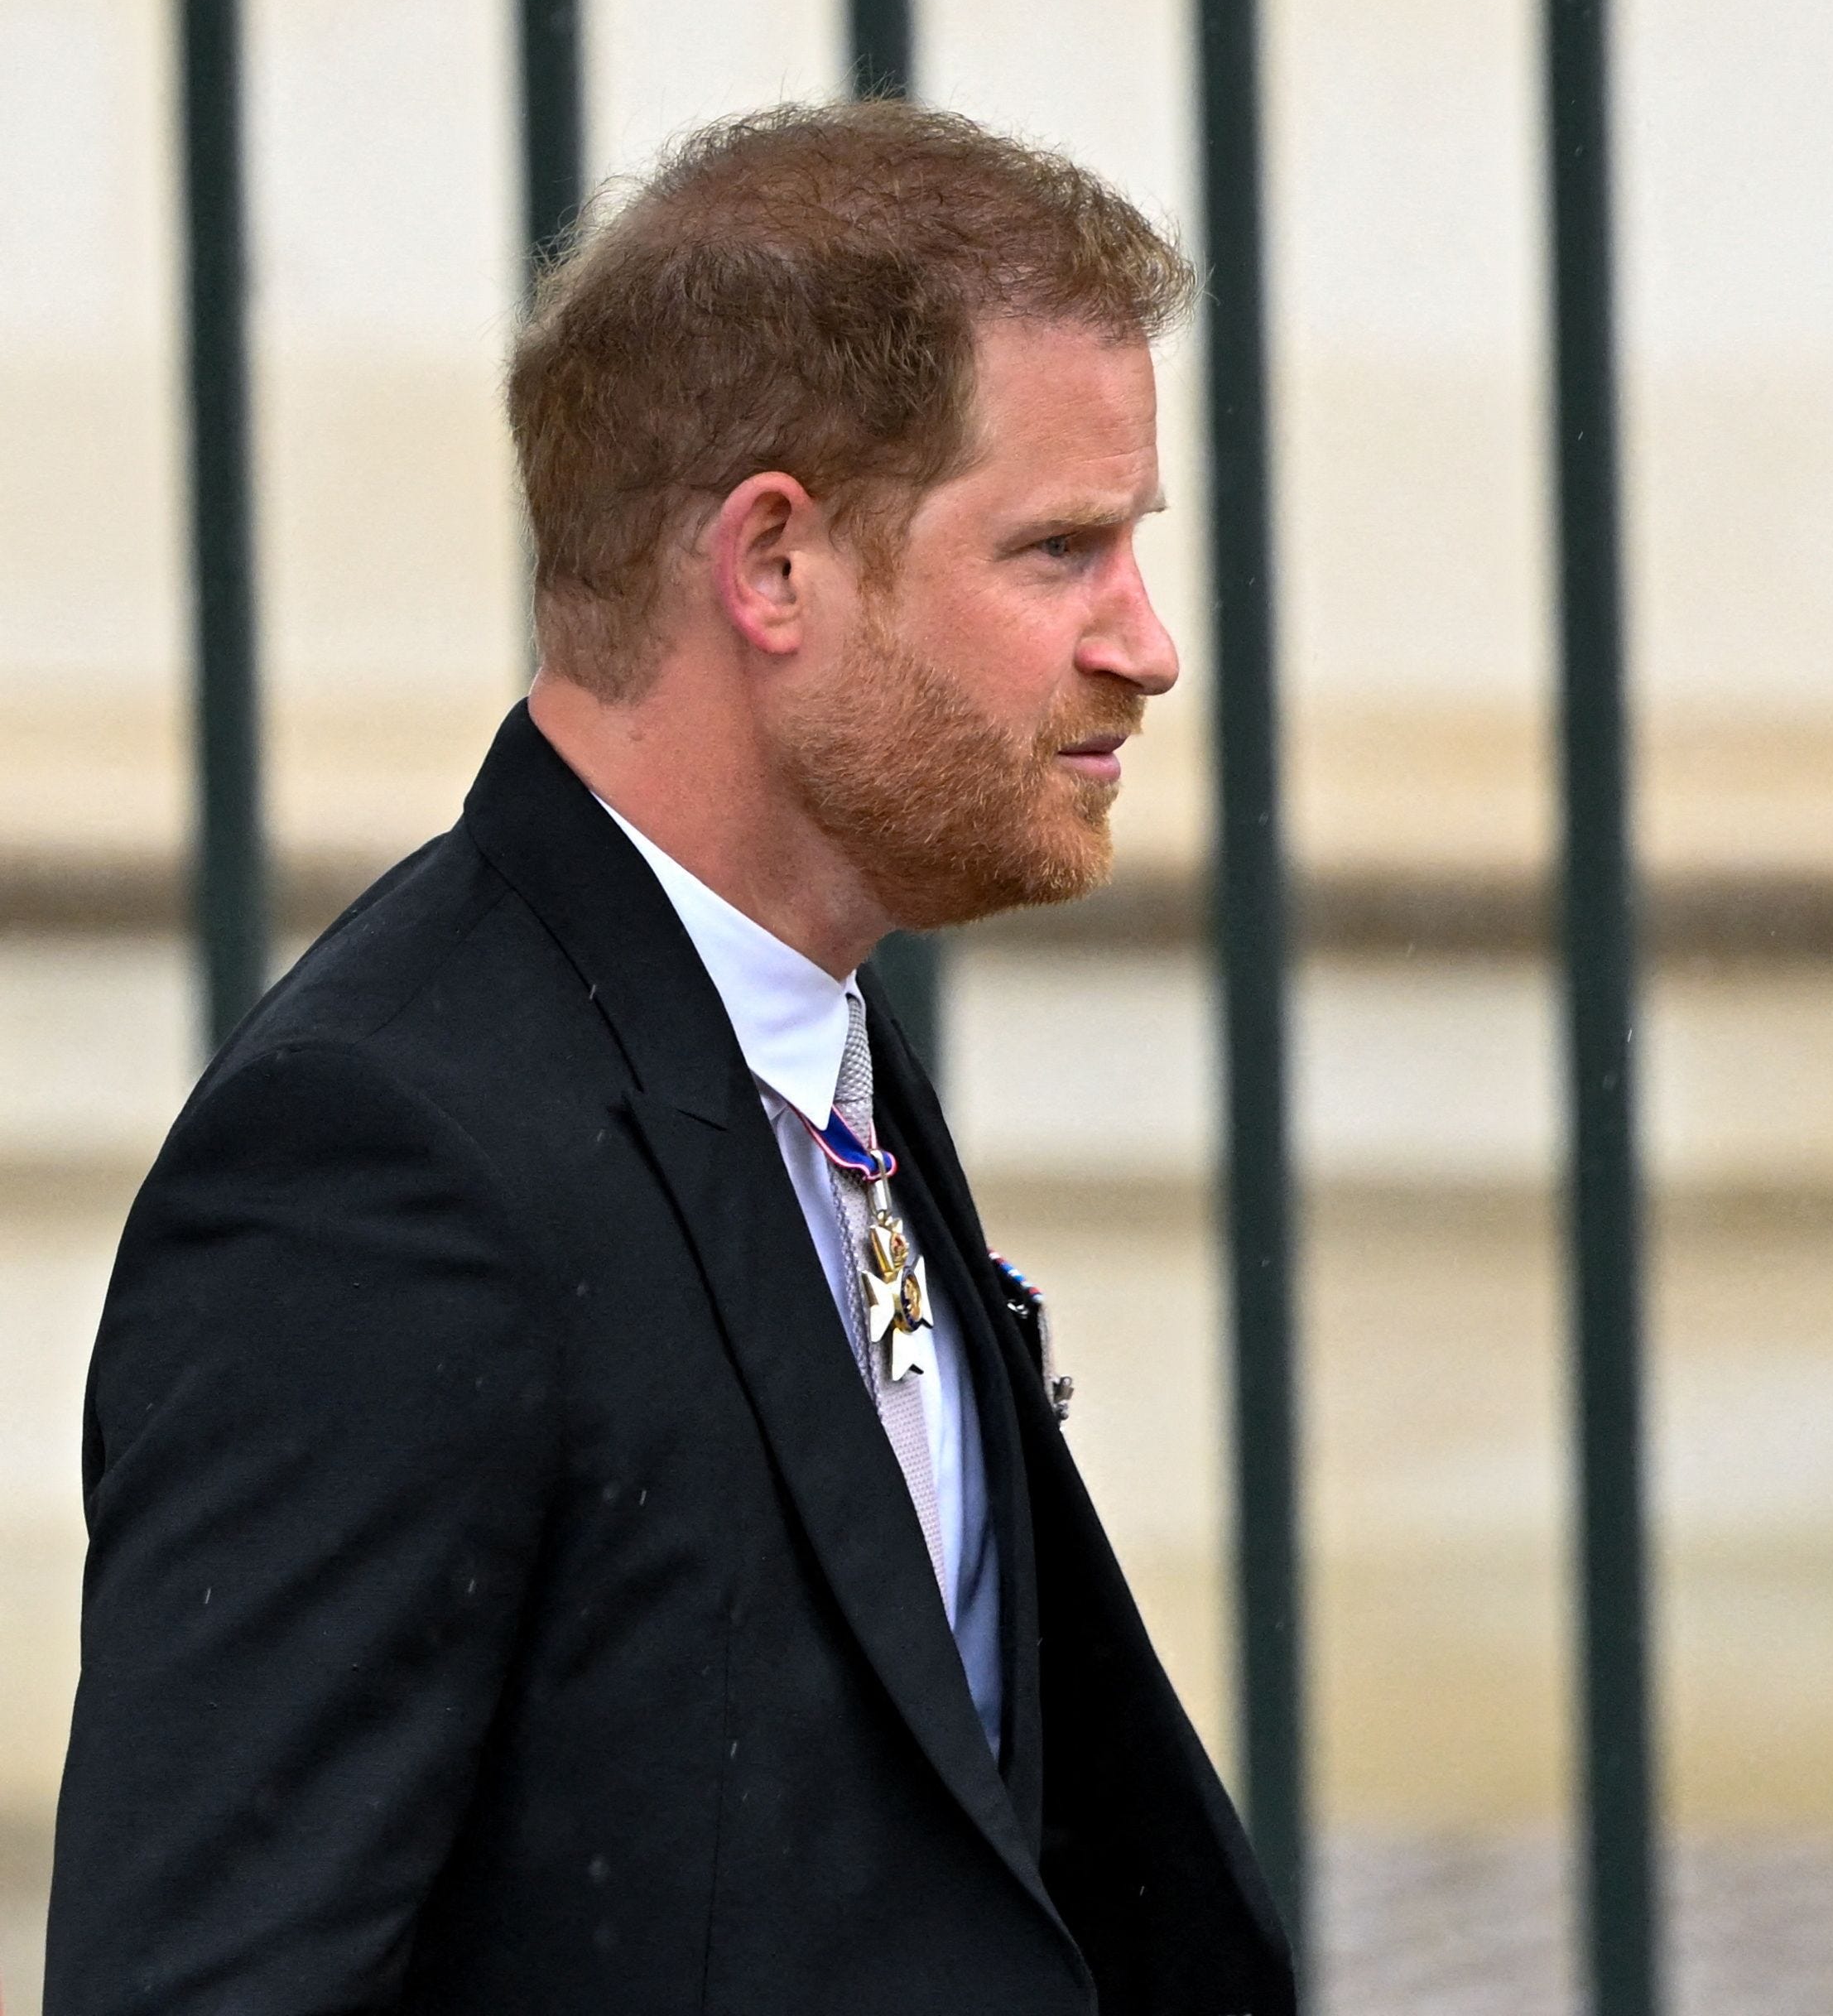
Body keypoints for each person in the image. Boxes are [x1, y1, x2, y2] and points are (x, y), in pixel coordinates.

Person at [44, 102, 1294, 2015]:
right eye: (1060, 549)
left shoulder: (806, 1021)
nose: (1149, 643)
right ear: (772, 565)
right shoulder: (379, 1166)